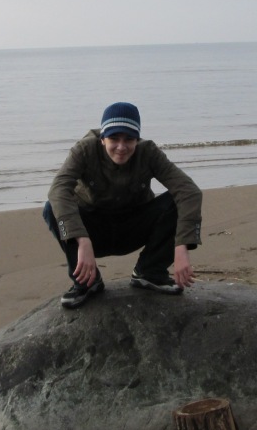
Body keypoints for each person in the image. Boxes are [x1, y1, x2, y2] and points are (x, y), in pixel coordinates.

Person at [43, 101, 203, 308]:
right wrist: (81, 238)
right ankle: (87, 282)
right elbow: (58, 189)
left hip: (133, 229)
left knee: (175, 200)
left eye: (129, 139)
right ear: (102, 139)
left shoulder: (149, 152)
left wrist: (182, 245)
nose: (121, 146)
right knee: (51, 208)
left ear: (137, 139)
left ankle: (150, 271)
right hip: (93, 234)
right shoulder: (84, 150)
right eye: (114, 138)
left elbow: (189, 191)